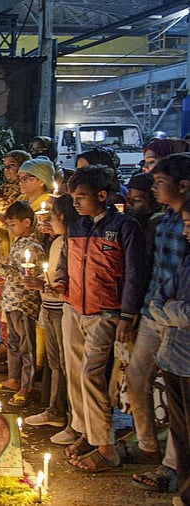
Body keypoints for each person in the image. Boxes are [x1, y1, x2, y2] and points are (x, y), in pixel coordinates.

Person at [52, 166, 145, 472]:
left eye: (81, 197)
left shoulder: (124, 228)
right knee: (74, 372)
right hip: (74, 308)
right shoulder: (77, 227)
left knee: (91, 374)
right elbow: (66, 263)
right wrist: (61, 281)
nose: (75, 203)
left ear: (102, 196)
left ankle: (106, 446)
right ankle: (85, 432)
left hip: (105, 312)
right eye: (73, 197)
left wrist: (127, 315)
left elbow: (134, 275)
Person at [124, 154, 189, 488]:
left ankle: (172, 466)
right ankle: (148, 443)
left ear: (183, 185)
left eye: (160, 181)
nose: (154, 185)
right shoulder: (161, 221)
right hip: (154, 310)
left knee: (180, 399)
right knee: (137, 377)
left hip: (180, 319)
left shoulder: (187, 223)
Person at [146, 198, 190, 506]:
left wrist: (168, 309)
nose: (186, 231)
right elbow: (160, 296)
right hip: (173, 354)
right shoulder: (186, 259)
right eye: (185, 224)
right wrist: (168, 309)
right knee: (181, 431)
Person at [24, 194, 79, 430]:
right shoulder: (57, 241)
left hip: (61, 308)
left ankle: (66, 415)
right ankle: (55, 410)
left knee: (65, 365)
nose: (48, 222)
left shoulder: (71, 244)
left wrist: (44, 286)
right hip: (50, 306)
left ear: (63, 218)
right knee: (55, 362)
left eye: (52, 217)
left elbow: (65, 282)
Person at [0, 201, 43, 407]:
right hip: (11, 300)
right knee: (13, 342)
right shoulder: (18, 242)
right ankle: (13, 378)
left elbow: (26, 278)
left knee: (26, 346)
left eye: (12, 225)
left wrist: (0, 269)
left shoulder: (33, 247)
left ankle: (26, 386)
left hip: (24, 302)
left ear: (27, 222)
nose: (9, 229)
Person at [0, 150, 31, 361]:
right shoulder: (0, 192)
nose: (7, 171)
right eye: (5, 166)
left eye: (12, 165)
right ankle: (6, 344)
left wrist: (4, 223)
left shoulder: (23, 198)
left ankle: (19, 352)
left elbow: (18, 226)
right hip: (0, 250)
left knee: (14, 305)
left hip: (16, 255)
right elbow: (0, 226)